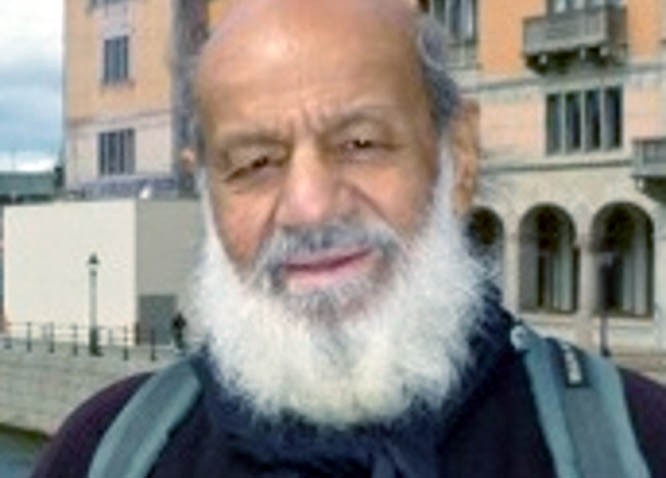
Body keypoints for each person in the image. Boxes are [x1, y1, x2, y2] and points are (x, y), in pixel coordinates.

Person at [32, 0, 666, 476]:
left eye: (361, 144)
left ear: (460, 158)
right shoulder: (103, 452)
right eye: (255, 163)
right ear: (207, 192)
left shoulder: (641, 443)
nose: (310, 208)